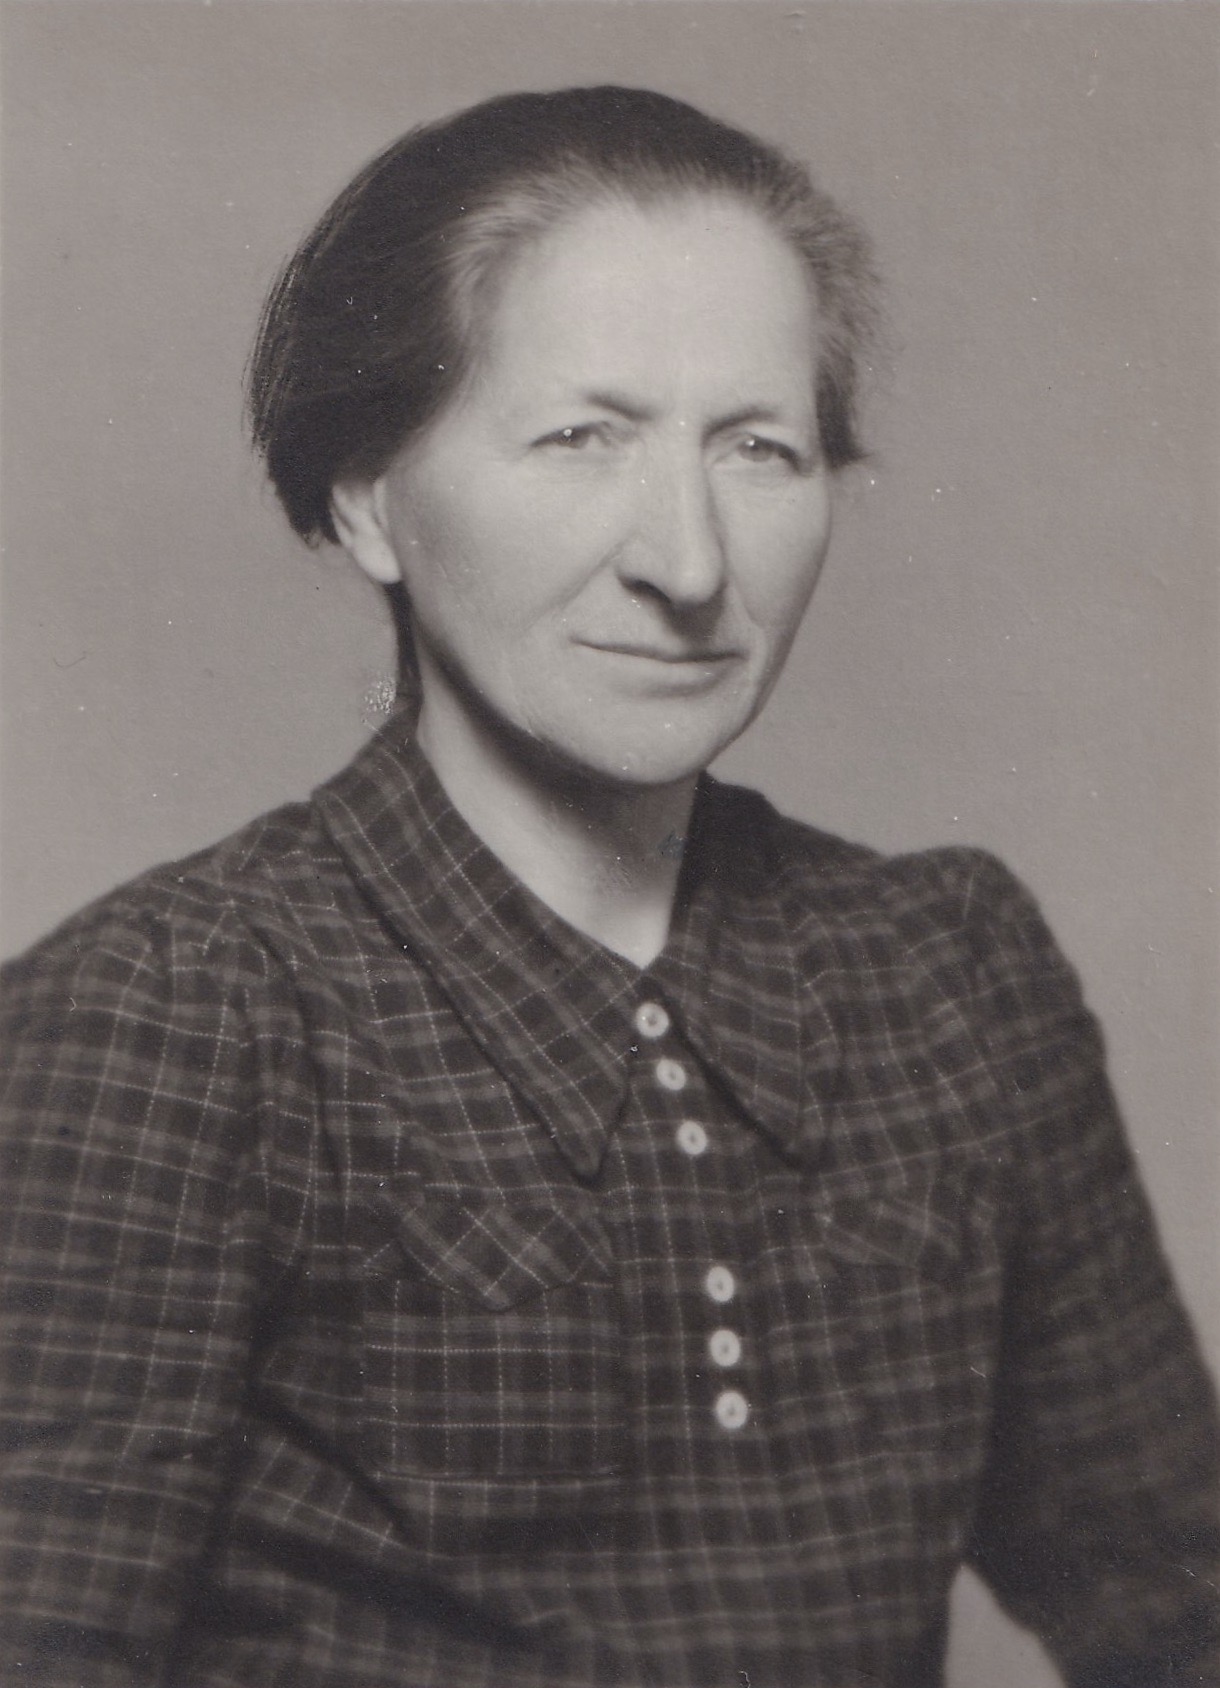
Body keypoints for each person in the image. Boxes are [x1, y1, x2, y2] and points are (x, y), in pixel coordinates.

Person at [0, 83, 1216, 1688]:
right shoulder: (177, 1017)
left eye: (761, 449)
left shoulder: (949, 971)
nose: (690, 564)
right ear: (369, 500)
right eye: (582, 437)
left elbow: (1180, 1602)